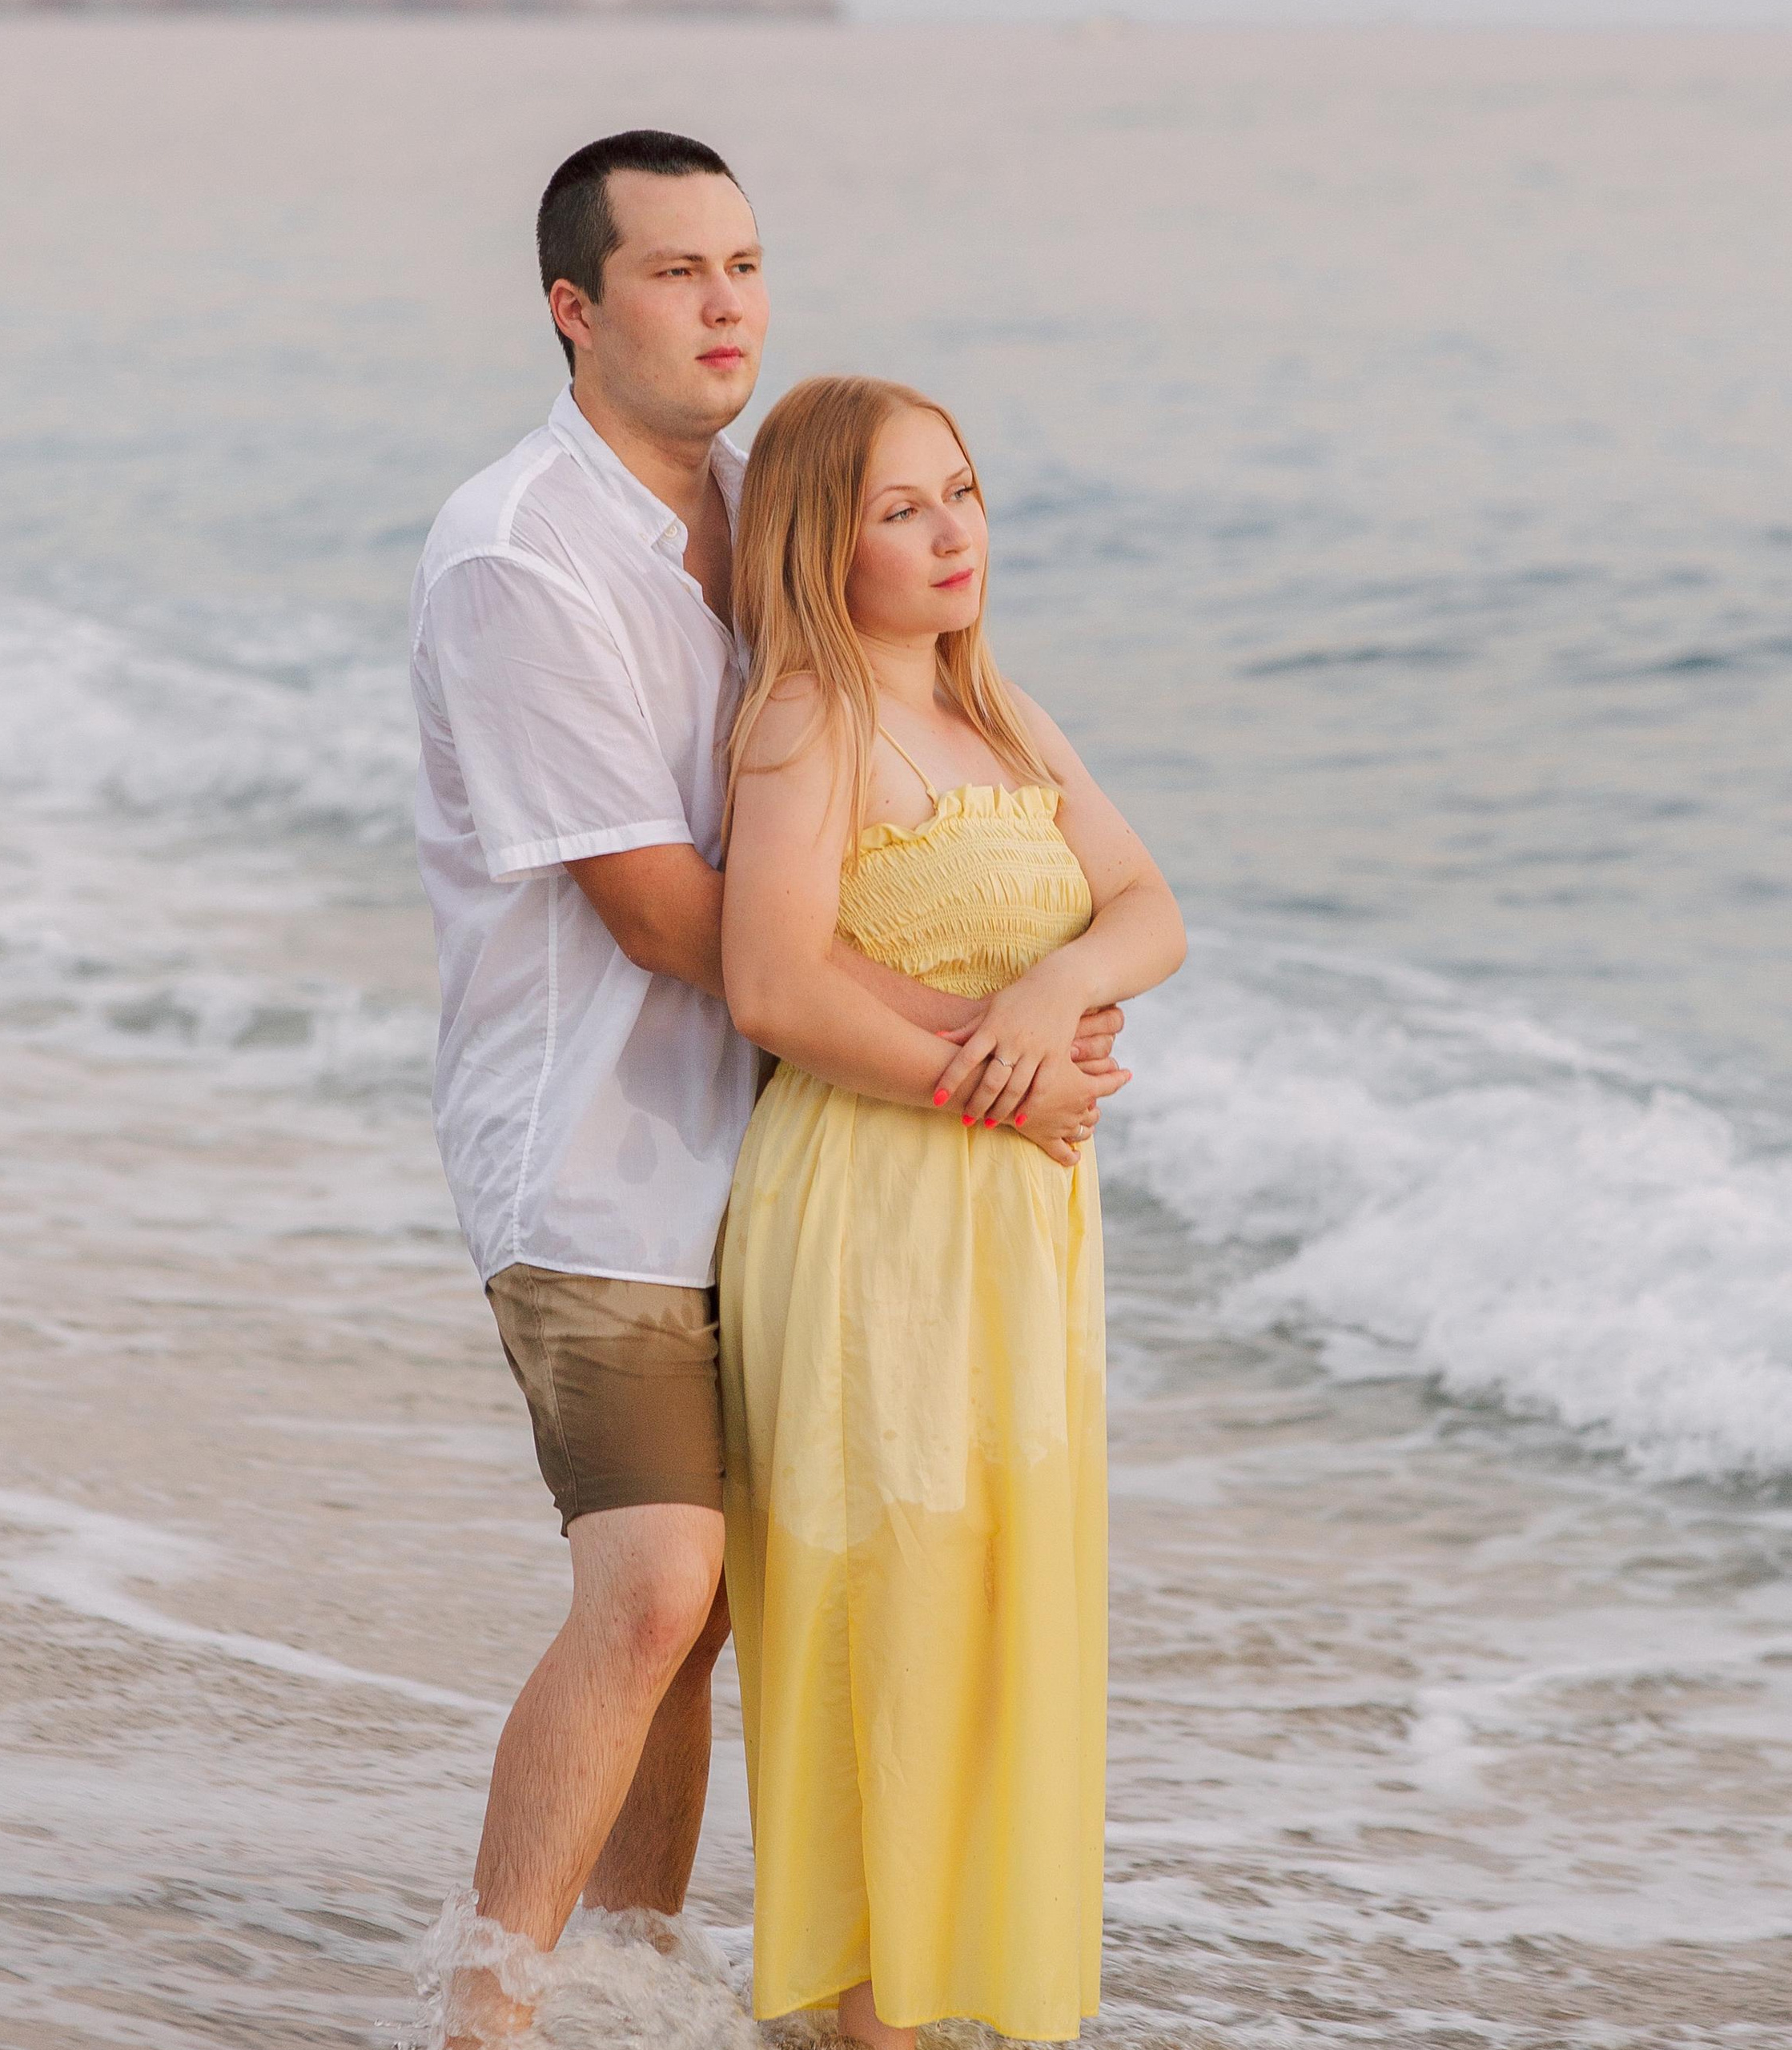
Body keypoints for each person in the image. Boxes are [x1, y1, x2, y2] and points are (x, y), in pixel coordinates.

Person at [407, 136, 1131, 2040]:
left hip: (796, 1158)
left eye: (742, 263)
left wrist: (1024, 995)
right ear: (573, 311)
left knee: (725, 1605)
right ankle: (487, 2006)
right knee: (654, 1587)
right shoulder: (518, 555)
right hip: (596, 1154)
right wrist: (980, 1049)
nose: (724, 304)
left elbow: (932, 777)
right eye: (671, 273)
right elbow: (673, 922)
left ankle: (635, 1977)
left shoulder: (776, 507)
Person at [718, 376, 1187, 2048]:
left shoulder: (1000, 712)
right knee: (885, 1605)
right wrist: (992, 1078)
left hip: (1017, 1233)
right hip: (874, 1217)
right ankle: (864, 2020)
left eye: (963, 493)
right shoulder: (805, 721)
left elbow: (1147, 907)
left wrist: (1054, 985)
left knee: (993, 1601)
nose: (950, 532)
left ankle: (953, 2001)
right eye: (900, 508)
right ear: (812, 540)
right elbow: (766, 978)